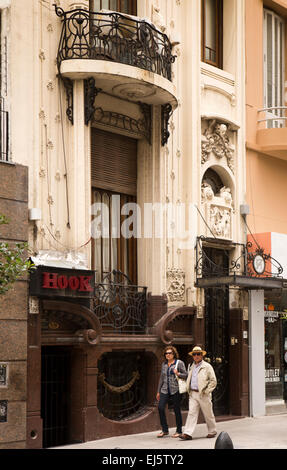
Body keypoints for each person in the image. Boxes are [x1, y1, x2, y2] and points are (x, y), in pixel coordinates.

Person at [179, 346, 217, 440]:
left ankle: (212, 431)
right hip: (193, 393)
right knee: (192, 413)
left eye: (198, 354)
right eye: (194, 354)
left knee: (208, 414)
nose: (196, 356)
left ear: (202, 355)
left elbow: (213, 381)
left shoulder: (207, 366)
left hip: (203, 394)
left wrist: (207, 391)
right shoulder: (191, 366)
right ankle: (188, 433)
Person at [156, 345, 187, 438]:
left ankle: (179, 430)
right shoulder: (164, 364)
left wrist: (178, 373)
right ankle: (165, 430)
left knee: (176, 409)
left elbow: (186, 375)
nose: (168, 355)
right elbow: (161, 378)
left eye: (170, 353)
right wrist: (158, 391)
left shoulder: (179, 363)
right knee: (160, 407)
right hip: (165, 389)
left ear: (174, 354)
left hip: (175, 389)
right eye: (166, 353)